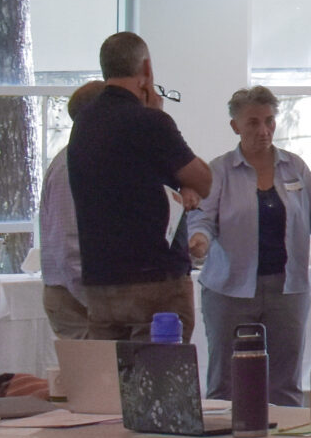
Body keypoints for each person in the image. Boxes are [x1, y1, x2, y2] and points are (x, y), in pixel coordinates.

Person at [186, 86, 311, 405]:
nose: (263, 130)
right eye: (253, 122)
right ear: (235, 126)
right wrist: (199, 241)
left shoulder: (295, 168)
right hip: (230, 289)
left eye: (269, 121)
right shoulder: (219, 170)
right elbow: (202, 219)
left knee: (285, 382)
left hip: (287, 288)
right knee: (225, 381)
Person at [65, 32, 212, 341]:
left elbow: (127, 182)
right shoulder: (150, 122)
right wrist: (157, 114)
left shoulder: (83, 124)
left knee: (110, 382)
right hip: (155, 280)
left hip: (101, 281)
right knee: (159, 381)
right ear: (147, 69)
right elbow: (204, 181)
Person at [36, 80, 109, 339]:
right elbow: (70, 248)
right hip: (76, 300)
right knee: (97, 378)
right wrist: (102, 306)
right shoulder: (71, 166)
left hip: (90, 296)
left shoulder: (94, 159)